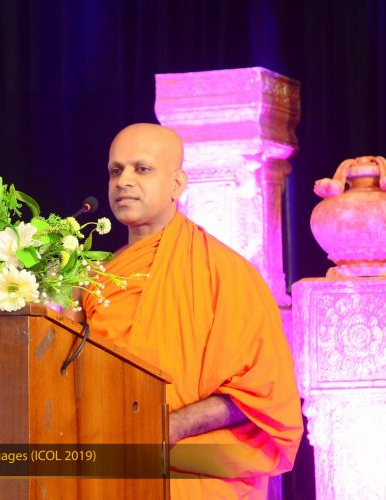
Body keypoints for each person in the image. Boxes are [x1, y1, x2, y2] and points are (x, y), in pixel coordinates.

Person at [78, 123, 303, 498]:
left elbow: (262, 395)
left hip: (192, 475)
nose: (123, 181)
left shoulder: (224, 273)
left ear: (177, 184)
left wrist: (173, 426)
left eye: (142, 169)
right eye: (116, 171)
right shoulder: (97, 278)